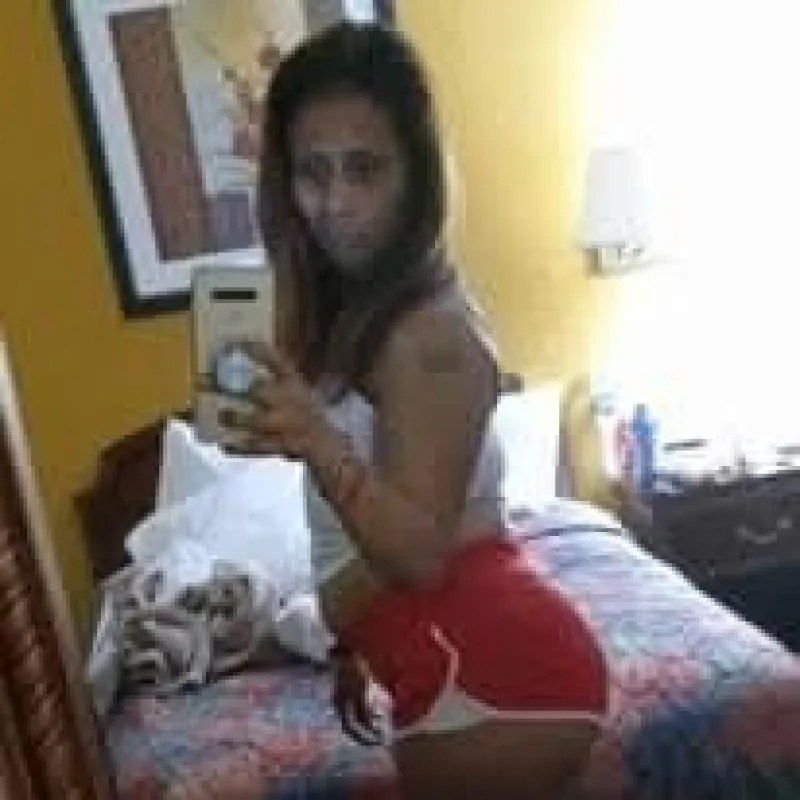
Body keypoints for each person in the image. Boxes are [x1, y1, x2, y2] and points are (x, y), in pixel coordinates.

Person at [219, 20, 608, 799]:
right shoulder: (364, 316)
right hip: (455, 664)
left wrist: (319, 440)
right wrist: (355, 643)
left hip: (494, 677)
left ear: (416, 174)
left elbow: (422, 555)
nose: (334, 204)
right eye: (311, 173)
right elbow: (382, 539)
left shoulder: (427, 336)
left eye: (364, 169)